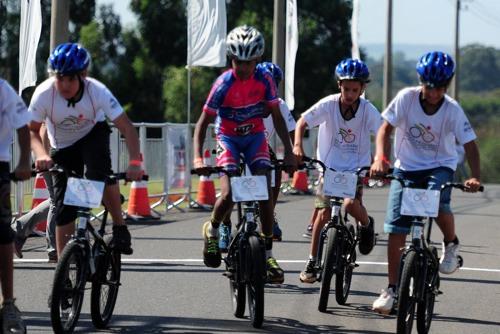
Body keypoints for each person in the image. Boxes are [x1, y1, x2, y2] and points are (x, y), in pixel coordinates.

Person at [370, 51, 482, 314]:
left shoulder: (452, 109)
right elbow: (385, 129)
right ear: (422, 82)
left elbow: (470, 146)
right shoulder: (406, 98)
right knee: (396, 226)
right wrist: (380, 157)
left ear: (447, 85)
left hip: (439, 166)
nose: (434, 94)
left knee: (438, 201)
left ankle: (451, 243)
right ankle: (392, 288)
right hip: (406, 167)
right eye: (430, 87)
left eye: (440, 88)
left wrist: (474, 175)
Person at [193, 25, 297, 284]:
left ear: (257, 60)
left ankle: (269, 254)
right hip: (228, 137)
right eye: (238, 62)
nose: (243, 68)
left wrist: (291, 151)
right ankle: (213, 229)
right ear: (232, 59)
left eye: (248, 63)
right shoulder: (223, 83)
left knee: (263, 193)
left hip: (254, 138)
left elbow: (277, 117)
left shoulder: (265, 80)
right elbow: (202, 123)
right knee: (228, 194)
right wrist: (198, 158)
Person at [28, 43, 144, 258]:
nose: (64, 84)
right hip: (62, 146)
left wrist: (135, 162)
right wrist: (41, 154)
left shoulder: (97, 91)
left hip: (92, 135)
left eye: (70, 78)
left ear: (83, 75)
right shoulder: (44, 94)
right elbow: (32, 131)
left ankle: (119, 227)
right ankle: (65, 269)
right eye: (59, 77)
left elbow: (126, 127)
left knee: (98, 174)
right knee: (64, 210)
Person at [294, 58, 380, 283]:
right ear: (339, 85)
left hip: (356, 168)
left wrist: (379, 158)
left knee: (351, 205)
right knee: (322, 215)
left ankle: (367, 224)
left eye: (355, 89)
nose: (350, 94)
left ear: (362, 89)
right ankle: (312, 260)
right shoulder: (329, 105)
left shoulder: (368, 110)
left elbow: (381, 131)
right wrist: (297, 146)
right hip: (329, 168)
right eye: (346, 88)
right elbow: (302, 121)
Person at [218, 61, 296, 248]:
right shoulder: (243, 97)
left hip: (261, 147)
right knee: (231, 189)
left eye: (274, 83)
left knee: (276, 170)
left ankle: (269, 214)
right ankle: (225, 224)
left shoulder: (279, 105)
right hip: (237, 144)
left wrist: (292, 152)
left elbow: (291, 131)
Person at [0, 78, 31, 333]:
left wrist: (23, 162)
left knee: (1, 232)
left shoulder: (3, 90)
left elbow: (22, 126)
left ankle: (8, 303)